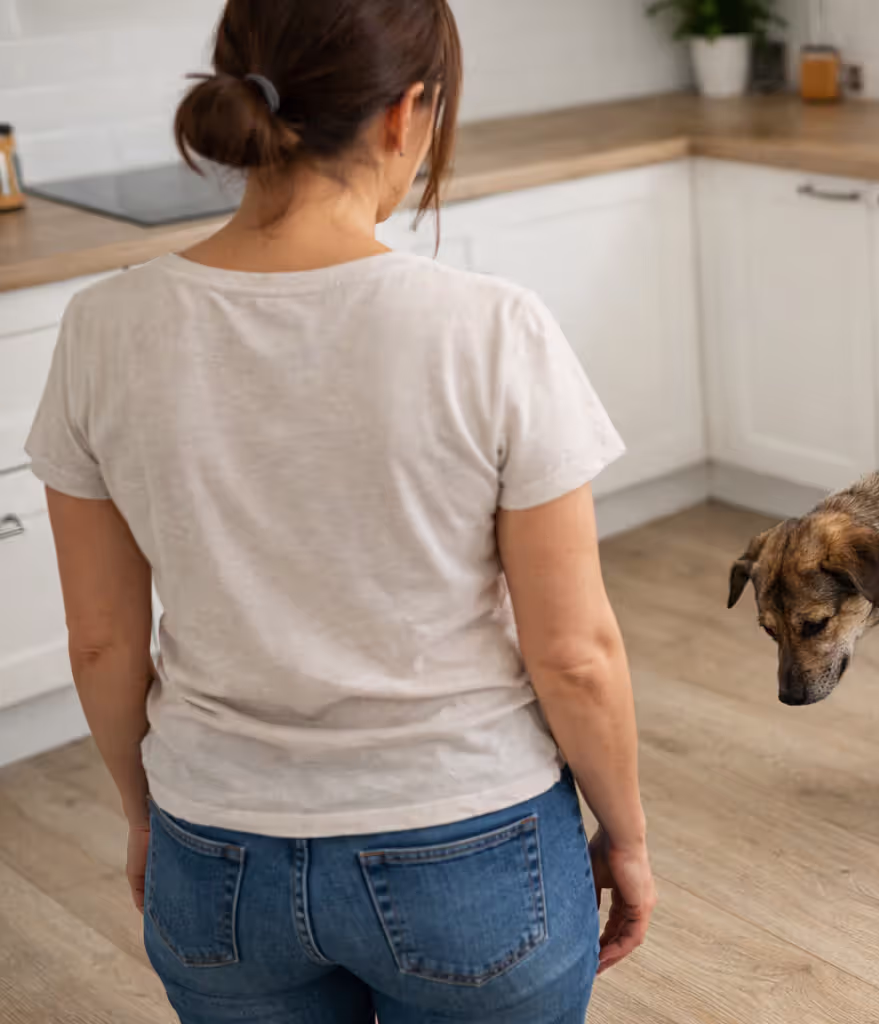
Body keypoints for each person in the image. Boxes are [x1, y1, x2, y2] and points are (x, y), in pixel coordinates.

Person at [25, 1, 655, 1020]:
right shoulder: (491, 329)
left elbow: (101, 641)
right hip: (471, 847)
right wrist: (625, 837)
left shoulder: (105, 326)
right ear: (407, 113)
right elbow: (575, 651)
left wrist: (150, 821)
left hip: (215, 854)